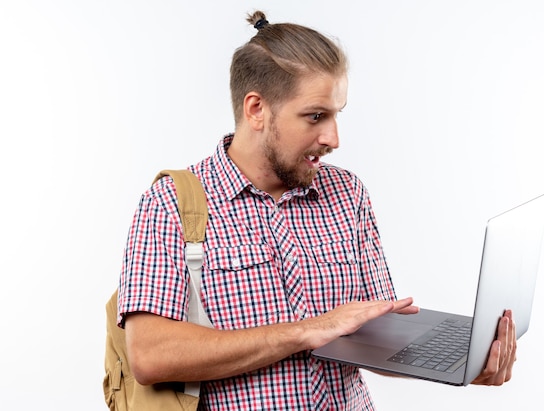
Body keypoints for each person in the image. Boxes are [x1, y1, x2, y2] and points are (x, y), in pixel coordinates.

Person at [118, 10, 516, 410]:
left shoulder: (347, 193)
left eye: (336, 114)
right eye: (315, 116)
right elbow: (150, 356)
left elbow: (373, 332)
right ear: (256, 109)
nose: (333, 138)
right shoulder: (171, 204)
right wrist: (305, 332)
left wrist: (462, 360)